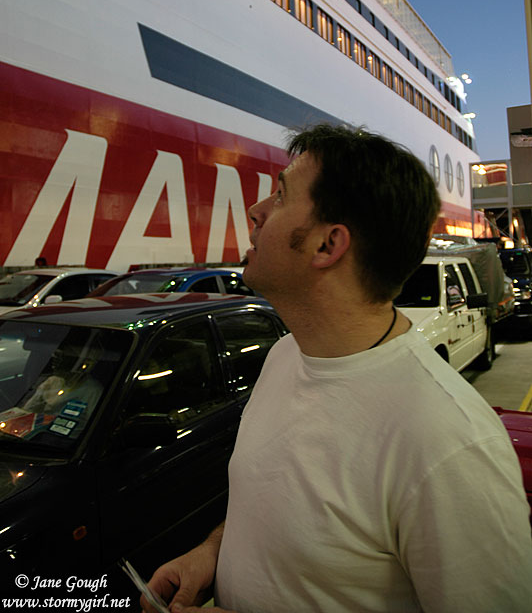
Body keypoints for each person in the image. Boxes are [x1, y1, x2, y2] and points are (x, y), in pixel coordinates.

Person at [143, 124, 532, 613]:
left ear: (328, 245)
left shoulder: (448, 442)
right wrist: (212, 554)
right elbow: (270, 510)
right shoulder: (286, 356)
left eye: (281, 196)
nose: (256, 210)